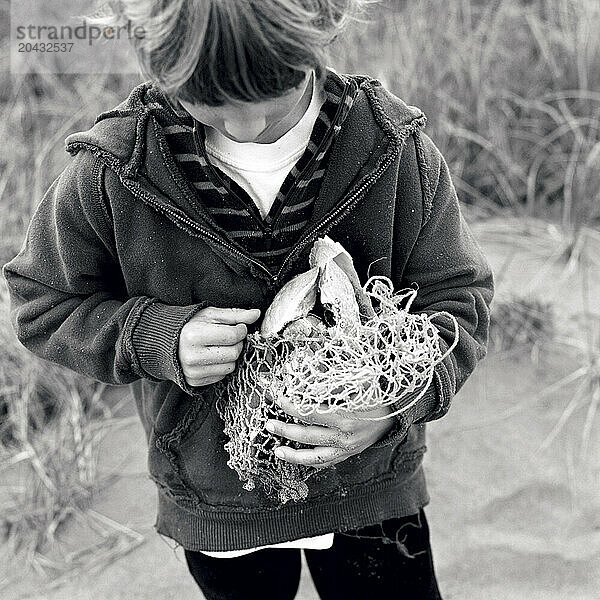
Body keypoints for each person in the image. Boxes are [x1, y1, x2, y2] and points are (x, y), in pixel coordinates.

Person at [3, 1, 494, 598]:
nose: (246, 125)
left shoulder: (390, 148)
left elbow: (460, 297)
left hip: (370, 487)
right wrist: (156, 339)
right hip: (219, 499)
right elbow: (42, 303)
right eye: (208, 98)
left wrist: (393, 405)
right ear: (144, 45)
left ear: (325, 24)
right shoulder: (114, 171)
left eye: (273, 90)